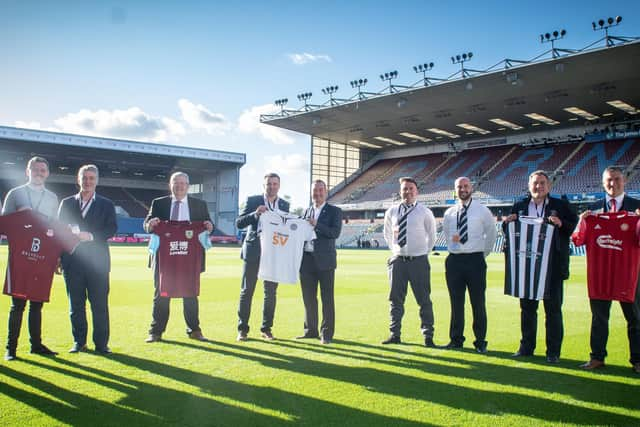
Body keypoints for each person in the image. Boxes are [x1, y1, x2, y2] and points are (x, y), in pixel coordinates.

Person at [504, 170, 577, 363]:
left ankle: (553, 352)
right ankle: (526, 347)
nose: (538, 187)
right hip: (526, 267)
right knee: (527, 309)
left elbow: (573, 226)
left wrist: (561, 223)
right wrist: (506, 223)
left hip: (552, 268)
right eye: (535, 183)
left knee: (553, 310)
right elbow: (510, 232)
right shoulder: (519, 206)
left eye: (542, 183)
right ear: (529, 186)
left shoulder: (559, 205)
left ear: (549, 186)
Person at [577, 166, 640, 373]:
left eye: (616, 179)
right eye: (608, 180)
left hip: (629, 273)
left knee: (635, 318)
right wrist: (581, 221)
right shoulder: (593, 210)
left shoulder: (637, 208)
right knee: (599, 317)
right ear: (603, 183)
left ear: (625, 181)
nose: (612, 184)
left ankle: (638, 360)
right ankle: (597, 357)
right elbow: (577, 239)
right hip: (600, 273)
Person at [144, 172, 214, 343]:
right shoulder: (159, 203)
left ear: (188, 185)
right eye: (176, 183)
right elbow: (147, 224)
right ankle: (156, 331)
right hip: (164, 257)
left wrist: (210, 226)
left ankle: (194, 330)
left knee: (190, 292)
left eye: (183, 183)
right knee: (161, 293)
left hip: (190, 257)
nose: (179, 186)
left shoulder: (199, 204)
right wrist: (150, 225)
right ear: (170, 185)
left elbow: (209, 225)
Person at [3, 156, 60, 360]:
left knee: (37, 303)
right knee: (18, 303)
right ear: (27, 171)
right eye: (35, 169)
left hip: (43, 256)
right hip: (20, 255)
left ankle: (36, 345)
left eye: (43, 170)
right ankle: (11, 348)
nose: (39, 173)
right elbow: (4, 224)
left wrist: (57, 257)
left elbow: (54, 227)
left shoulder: (52, 198)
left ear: (47, 173)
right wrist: (21, 215)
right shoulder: (16, 193)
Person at [58, 165, 117, 354]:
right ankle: (79, 342)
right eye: (84, 177)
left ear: (97, 180)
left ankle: (101, 344)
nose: (88, 181)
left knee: (99, 305)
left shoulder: (106, 204)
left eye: (91, 178)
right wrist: (58, 258)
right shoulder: (66, 203)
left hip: (97, 263)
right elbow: (59, 232)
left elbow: (112, 229)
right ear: (78, 179)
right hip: (72, 262)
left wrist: (91, 236)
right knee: (76, 305)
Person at [441, 177, 496, 353]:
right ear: (455, 189)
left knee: (478, 302)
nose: (463, 189)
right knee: (456, 303)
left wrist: (482, 254)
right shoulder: (449, 212)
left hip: (475, 261)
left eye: (466, 186)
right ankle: (456, 339)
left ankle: (480, 341)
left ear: (471, 188)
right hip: (454, 261)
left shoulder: (482, 210)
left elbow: (492, 234)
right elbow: (448, 233)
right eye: (459, 187)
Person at [382, 177, 437, 347]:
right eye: (405, 189)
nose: (408, 192)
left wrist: (422, 253)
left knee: (424, 300)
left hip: (418, 261)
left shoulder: (425, 212)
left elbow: (432, 236)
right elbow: (388, 234)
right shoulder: (392, 211)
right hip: (398, 261)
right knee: (395, 300)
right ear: (400, 191)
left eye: (411, 189)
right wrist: (396, 251)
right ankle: (394, 334)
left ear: (416, 191)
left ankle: (428, 336)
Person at [236, 173, 289, 341]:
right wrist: (255, 214)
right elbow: (239, 223)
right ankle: (242, 329)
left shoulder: (284, 204)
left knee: (271, 293)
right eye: (269, 184)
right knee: (247, 291)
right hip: (253, 250)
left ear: (279, 186)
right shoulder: (253, 200)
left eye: (275, 184)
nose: (272, 186)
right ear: (263, 185)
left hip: (273, 253)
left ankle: (266, 329)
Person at [298, 180, 343, 344]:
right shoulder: (305, 211)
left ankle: (327, 334)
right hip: (306, 260)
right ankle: (310, 330)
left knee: (327, 299)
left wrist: (317, 225)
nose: (317, 193)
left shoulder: (335, 211)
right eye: (314, 190)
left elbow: (335, 233)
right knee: (308, 298)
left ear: (326, 192)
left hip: (325, 261)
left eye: (320, 190)